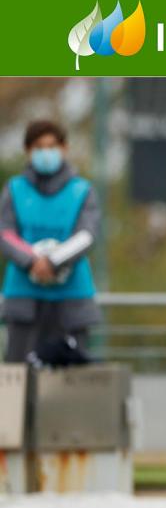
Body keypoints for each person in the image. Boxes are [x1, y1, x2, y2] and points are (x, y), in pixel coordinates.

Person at [1, 120, 100, 364]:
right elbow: (5, 233)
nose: (46, 153)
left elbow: (86, 235)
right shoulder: (14, 189)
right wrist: (31, 261)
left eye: (52, 146)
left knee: (71, 377)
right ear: (27, 150)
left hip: (72, 300)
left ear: (64, 148)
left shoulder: (82, 190)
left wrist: (53, 262)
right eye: (39, 147)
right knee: (19, 375)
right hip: (24, 298)